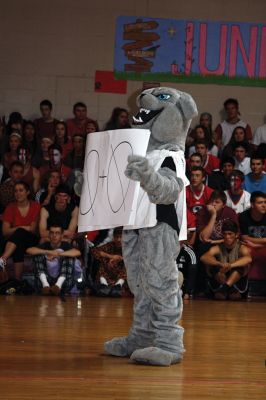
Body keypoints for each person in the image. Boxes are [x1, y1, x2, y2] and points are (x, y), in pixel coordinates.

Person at [200, 220, 251, 300]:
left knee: (240, 267)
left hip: (237, 282)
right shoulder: (218, 247)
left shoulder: (241, 247)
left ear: (236, 235)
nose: (227, 237)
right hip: (221, 278)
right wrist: (219, 264)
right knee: (215, 267)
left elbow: (248, 259)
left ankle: (225, 288)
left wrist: (230, 265)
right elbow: (204, 257)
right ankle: (226, 288)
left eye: (230, 234)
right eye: (225, 234)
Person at [0, 182, 40, 279]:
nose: (18, 193)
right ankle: (17, 281)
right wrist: (21, 227)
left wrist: (17, 228)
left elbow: (32, 229)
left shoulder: (35, 206)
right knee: (18, 244)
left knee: (19, 233)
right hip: (16, 240)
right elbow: (5, 231)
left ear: (27, 192)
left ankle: (2, 259)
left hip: (32, 239)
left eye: (21, 190)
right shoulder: (10, 207)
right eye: (16, 191)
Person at [27, 224, 81, 295]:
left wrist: (58, 254)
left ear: (62, 236)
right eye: (52, 233)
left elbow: (77, 252)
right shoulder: (45, 245)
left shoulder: (65, 245)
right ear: (49, 235)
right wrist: (49, 252)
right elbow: (29, 250)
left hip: (64, 284)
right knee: (38, 255)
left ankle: (58, 285)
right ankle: (45, 285)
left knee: (69, 256)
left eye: (57, 233)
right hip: (44, 284)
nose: (54, 235)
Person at [197, 190, 239, 256]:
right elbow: (204, 238)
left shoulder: (230, 212)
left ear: (223, 205)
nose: (213, 204)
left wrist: (216, 242)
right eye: (211, 201)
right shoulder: (202, 212)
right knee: (203, 248)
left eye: (217, 202)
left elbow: (235, 235)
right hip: (207, 245)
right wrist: (213, 215)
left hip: (225, 243)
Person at [90, 227, 128, 297]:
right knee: (102, 259)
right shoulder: (110, 245)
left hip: (121, 277)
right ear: (113, 237)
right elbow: (94, 251)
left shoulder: (128, 247)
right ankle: (104, 285)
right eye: (116, 237)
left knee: (128, 264)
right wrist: (111, 257)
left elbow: (135, 257)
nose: (119, 240)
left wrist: (120, 258)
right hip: (108, 272)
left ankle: (118, 285)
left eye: (121, 237)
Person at [239, 192, 266, 272]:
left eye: (265, 202)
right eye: (260, 203)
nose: (264, 205)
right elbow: (244, 238)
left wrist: (256, 245)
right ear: (252, 205)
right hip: (248, 246)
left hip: (257, 245)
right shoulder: (244, 216)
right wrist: (264, 240)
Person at [176, 209, 197, 299]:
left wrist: (187, 292)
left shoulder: (189, 252)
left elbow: (192, 273)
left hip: (183, 287)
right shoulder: (164, 252)